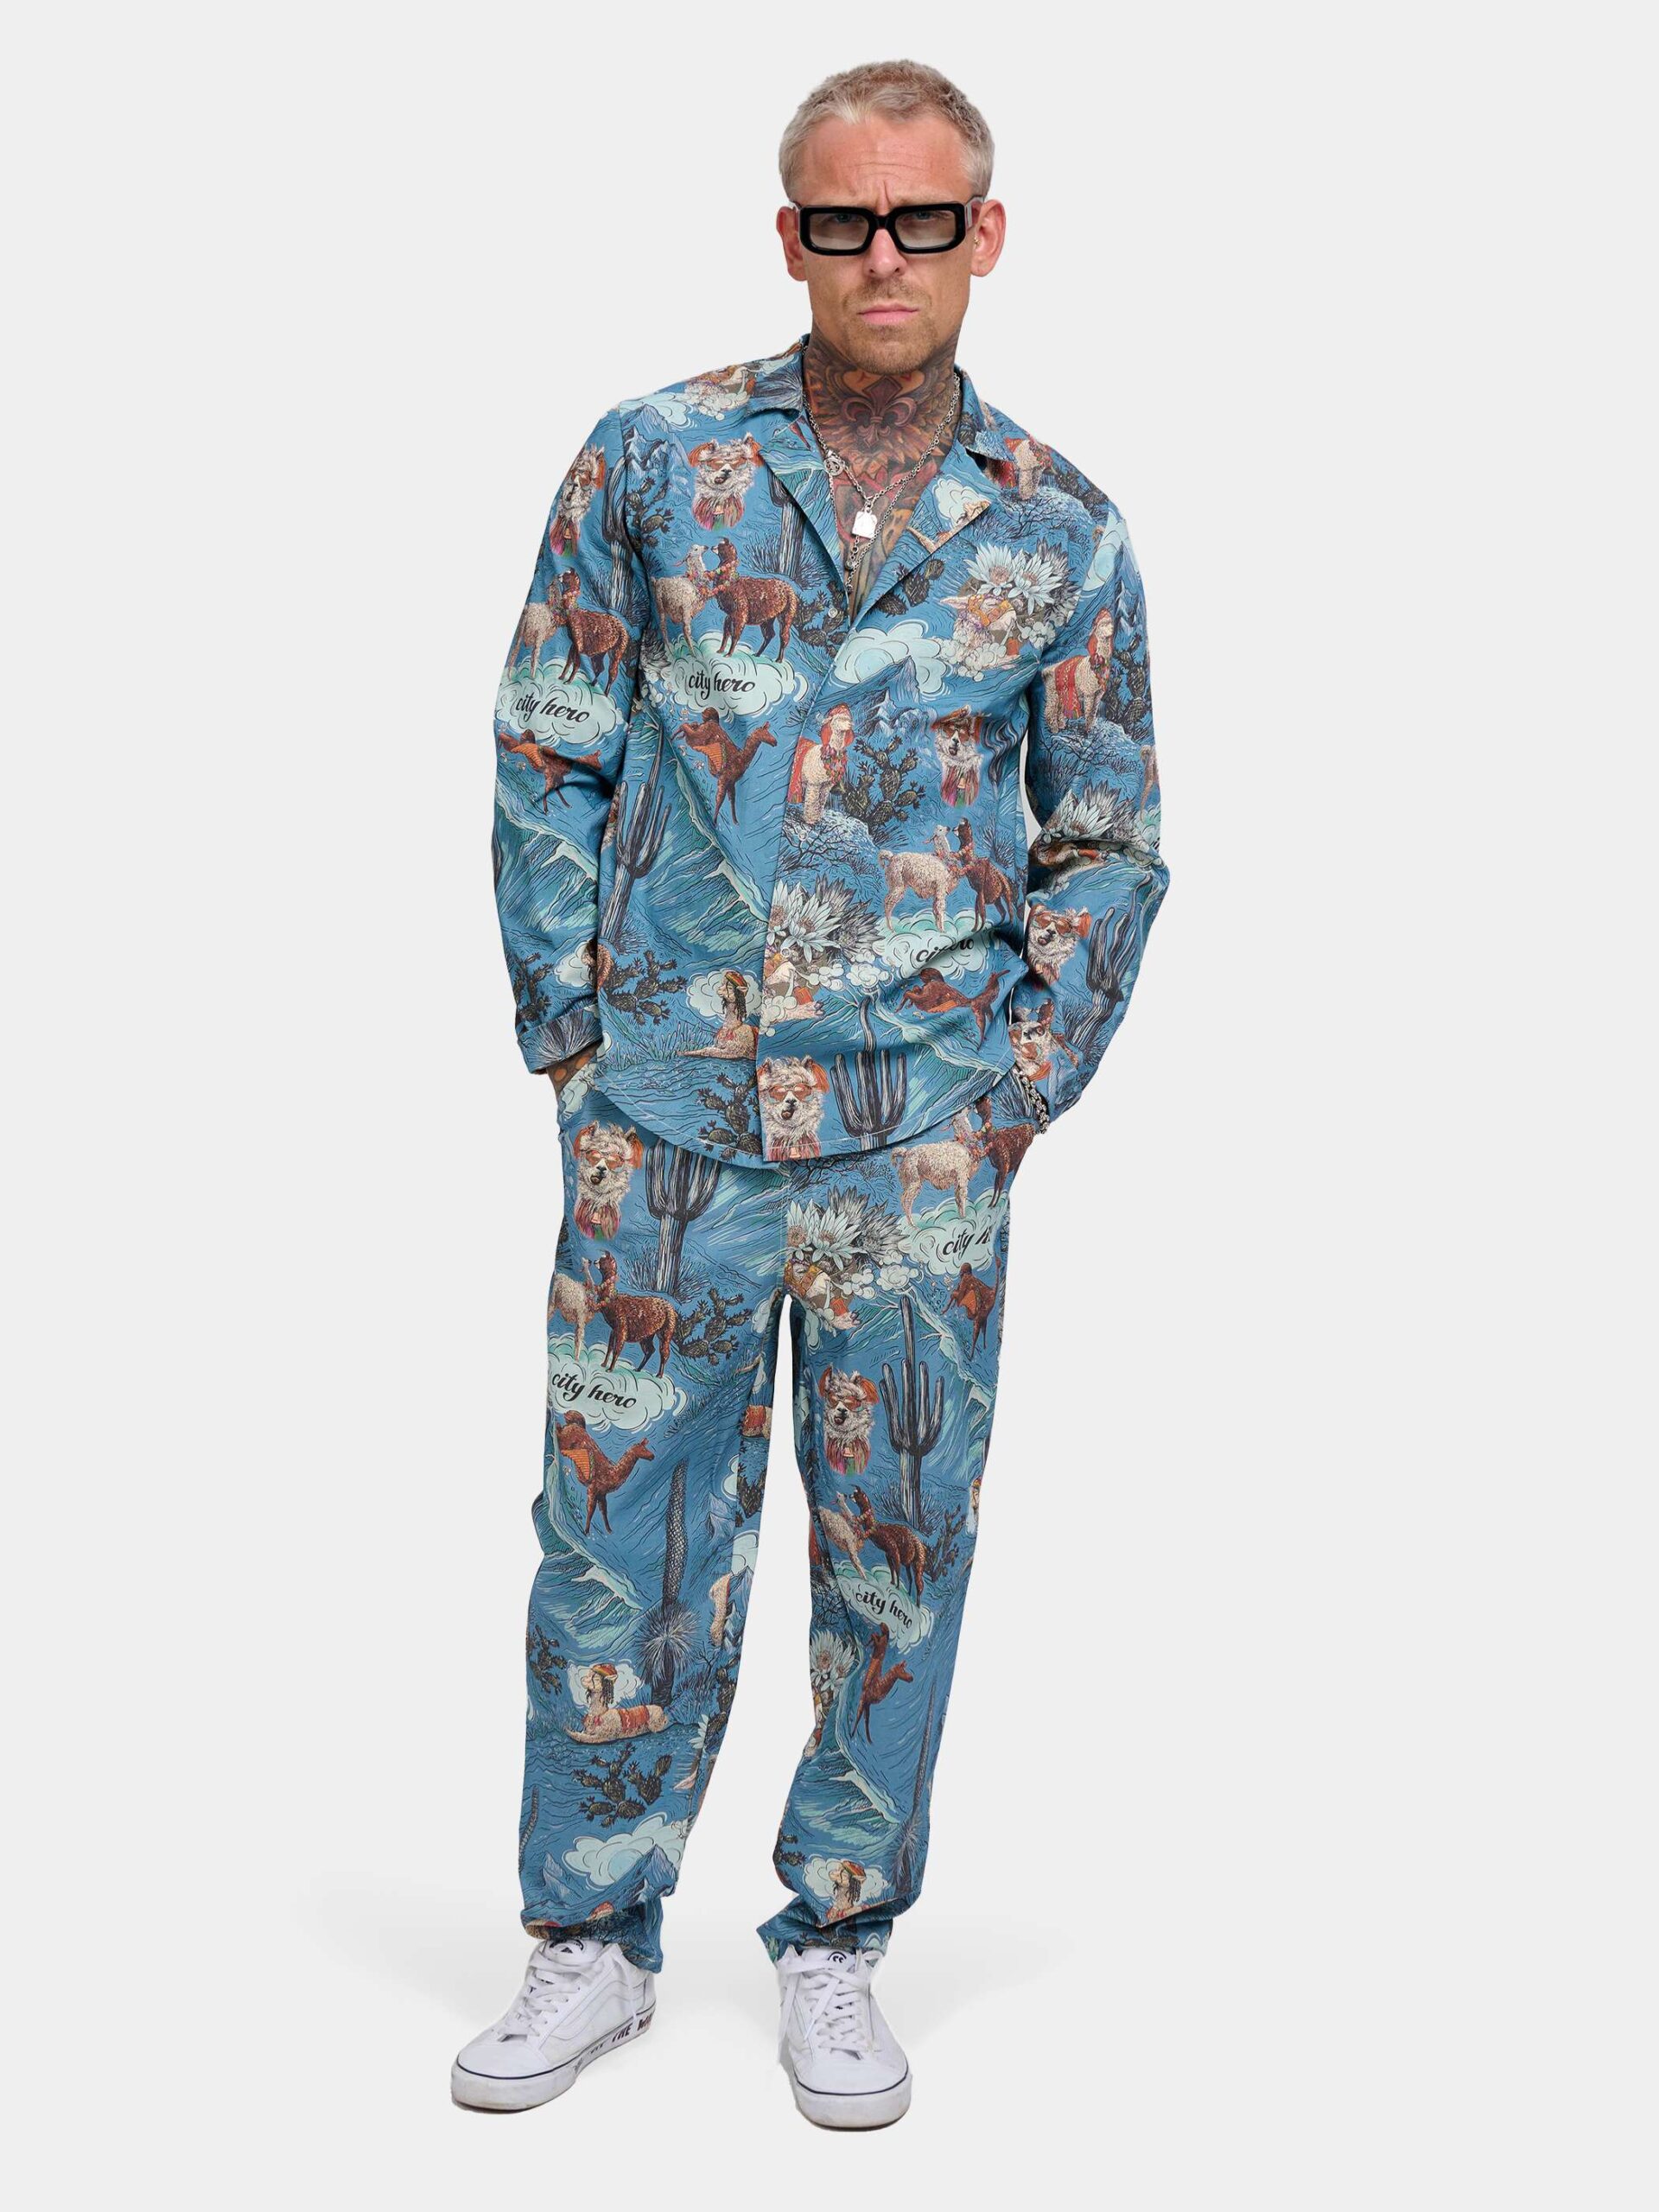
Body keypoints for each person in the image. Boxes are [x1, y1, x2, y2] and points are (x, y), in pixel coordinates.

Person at [454, 56, 1170, 2127]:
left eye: (922, 220)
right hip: (664, 1129)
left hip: (917, 1145)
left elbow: (1107, 839)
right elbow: (550, 738)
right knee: (619, 1535)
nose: (883, 256)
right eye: (844, 221)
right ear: (792, 235)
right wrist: (573, 1039)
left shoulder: (1058, 528)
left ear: (983, 236)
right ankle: (590, 1932)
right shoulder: (656, 460)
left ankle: (840, 1939)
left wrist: (1006, 1095)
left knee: (893, 1551)